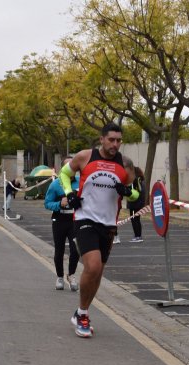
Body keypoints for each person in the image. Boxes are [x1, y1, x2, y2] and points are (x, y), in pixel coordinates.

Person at [58, 122, 137, 338]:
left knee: (98, 273)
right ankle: (82, 315)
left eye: (119, 140)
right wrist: (69, 192)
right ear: (101, 139)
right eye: (111, 139)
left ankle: (81, 311)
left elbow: (137, 195)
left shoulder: (126, 164)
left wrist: (127, 192)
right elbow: (64, 174)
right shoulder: (85, 156)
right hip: (84, 218)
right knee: (92, 267)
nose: (115, 144)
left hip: (109, 224)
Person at [44, 157, 79, 291]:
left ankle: (71, 275)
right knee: (59, 250)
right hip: (59, 220)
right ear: (63, 169)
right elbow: (47, 204)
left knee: (76, 249)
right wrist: (59, 204)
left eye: (74, 166)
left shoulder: (79, 183)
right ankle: (59, 276)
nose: (73, 169)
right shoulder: (55, 185)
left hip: (75, 220)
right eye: (69, 166)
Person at [127, 166, 146, 243]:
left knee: (134, 219)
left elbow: (134, 191)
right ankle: (138, 236)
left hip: (134, 203)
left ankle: (137, 236)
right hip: (140, 202)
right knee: (137, 219)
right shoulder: (141, 179)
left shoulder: (135, 180)